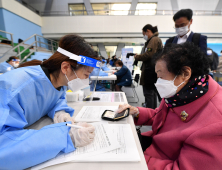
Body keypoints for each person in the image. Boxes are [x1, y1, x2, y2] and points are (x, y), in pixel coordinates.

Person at [0, 34, 101, 169]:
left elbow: (54, 98)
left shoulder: (56, 82)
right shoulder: (13, 89)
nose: (86, 81)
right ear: (65, 68)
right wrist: (66, 137)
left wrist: (60, 112)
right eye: (86, 75)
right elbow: (4, 149)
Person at [117, 42, 222, 170]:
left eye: (161, 76)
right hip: (153, 148)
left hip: (156, 160)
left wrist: (137, 160)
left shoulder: (215, 121)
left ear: (185, 73)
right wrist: (136, 111)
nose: (158, 82)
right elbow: (162, 115)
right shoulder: (181, 93)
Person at [134, 24, 163, 109]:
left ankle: (150, 114)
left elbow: (148, 55)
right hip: (152, 70)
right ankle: (152, 112)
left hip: (150, 71)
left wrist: (137, 57)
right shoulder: (154, 40)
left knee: (149, 94)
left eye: (144, 34)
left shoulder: (153, 40)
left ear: (148, 31)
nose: (144, 36)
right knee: (151, 94)